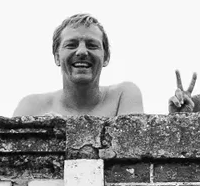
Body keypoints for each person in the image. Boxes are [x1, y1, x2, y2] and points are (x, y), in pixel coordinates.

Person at [13, 14, 145, 117]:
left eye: (92, 45)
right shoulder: (32, 107)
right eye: (71, 45)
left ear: (106, 57)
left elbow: (132, 146)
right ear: (57, 57)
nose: (82, 51)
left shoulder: (122, 95)